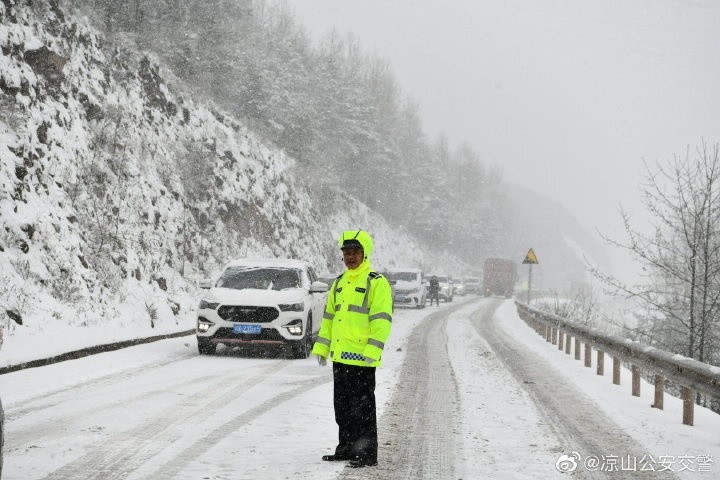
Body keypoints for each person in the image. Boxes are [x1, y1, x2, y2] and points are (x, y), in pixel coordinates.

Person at [312, 229, 393, 468]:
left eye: (355, 251)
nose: (351, 256)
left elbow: (381, 320)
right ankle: (346, 448)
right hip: (341, 357)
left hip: (363, 359)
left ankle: (367, 454)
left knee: (363, 411)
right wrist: (322, 348)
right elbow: (329, 319)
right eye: (347, 252)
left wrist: (373, 350)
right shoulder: (338, 284)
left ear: (365, 254)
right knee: (343, 408)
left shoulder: (375, 283)